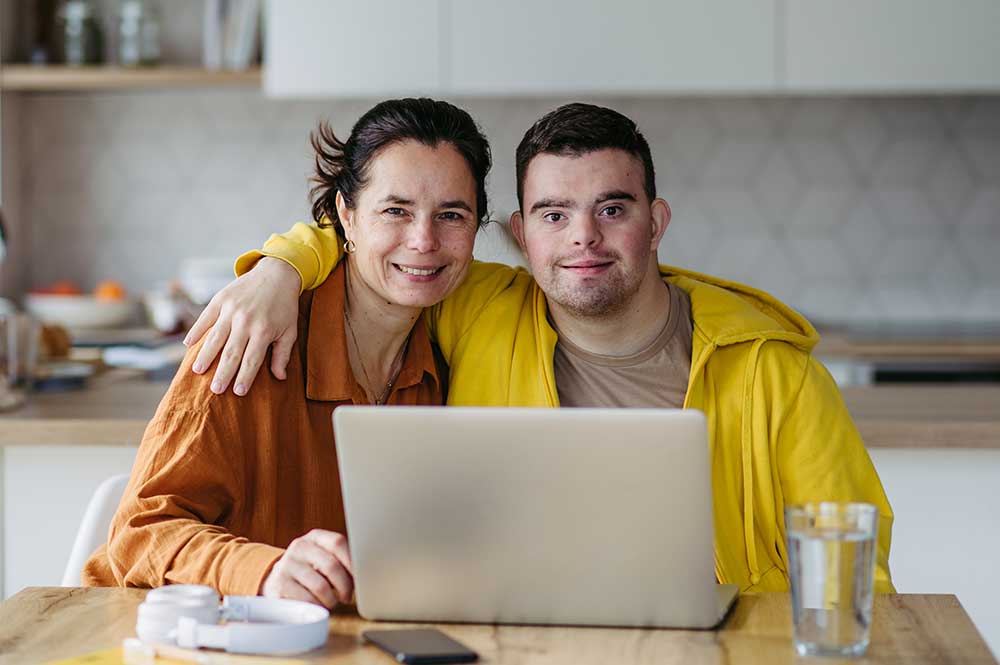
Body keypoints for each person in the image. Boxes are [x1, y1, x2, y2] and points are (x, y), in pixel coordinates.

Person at [185, 103, 895, 593]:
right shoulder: (472, 305)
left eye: (613, 208)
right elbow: (384, 242)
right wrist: (277, 271)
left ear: (657, 222)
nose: (584, 236)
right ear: (522, 235)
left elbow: (860, 577)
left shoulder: (778, 374)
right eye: (556, 214)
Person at [81, 98, 493, 608]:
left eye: (451, 214)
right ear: (347, 214)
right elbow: (138, 535)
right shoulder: (253, 337)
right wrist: (266, 570)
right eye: (395, 210)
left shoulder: (451, 352)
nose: (423, 240)